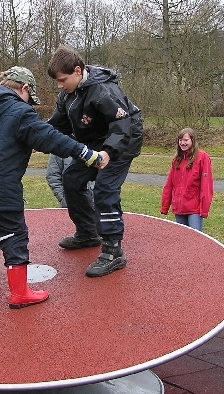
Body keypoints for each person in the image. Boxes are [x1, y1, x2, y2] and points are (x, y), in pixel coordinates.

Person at [0, 66, 105, 309]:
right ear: (24, 88)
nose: (29, 103)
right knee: (13, 234)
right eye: (30, 98)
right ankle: (20, 293)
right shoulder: (19, 111)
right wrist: (86, 153)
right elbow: (50, 138)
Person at [47, 45, 143, 278]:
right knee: (71, 178)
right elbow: (57, 125)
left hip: (123, 141)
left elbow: (122, 124)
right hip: (95, 143)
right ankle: (88, 232)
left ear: (77, 71)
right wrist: (31, 135)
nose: (59, 86)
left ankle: (113, 249)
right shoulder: (67, 95)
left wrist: (109, 152)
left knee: (104, 188)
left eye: (62, 80)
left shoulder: (103, 90)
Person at [160, 128, 214, 231]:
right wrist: (165, 206)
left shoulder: (202, 158)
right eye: (180, 140)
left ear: (192, 141)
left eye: (186, 140)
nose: (182, 143)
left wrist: (204, 209)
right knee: (182, 238)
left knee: (195, 237)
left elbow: (206, 186)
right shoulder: (177, 160)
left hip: (194, 208)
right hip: (179, 208)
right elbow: (169, 185)